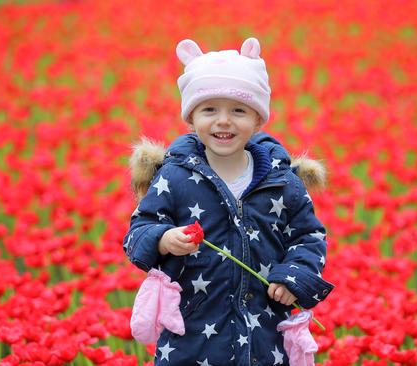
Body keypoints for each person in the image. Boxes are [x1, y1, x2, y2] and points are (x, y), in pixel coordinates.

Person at [123, 37, 333, 365]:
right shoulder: (174, 177)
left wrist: (294, 277)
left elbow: (310, 237)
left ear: (258, 120)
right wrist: (163, 240)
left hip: (264, 337)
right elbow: (138, 231)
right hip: (190, 340)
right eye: (209, 109)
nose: (224, 121)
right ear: (191, 119)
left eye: (239, 110)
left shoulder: (282, 182)